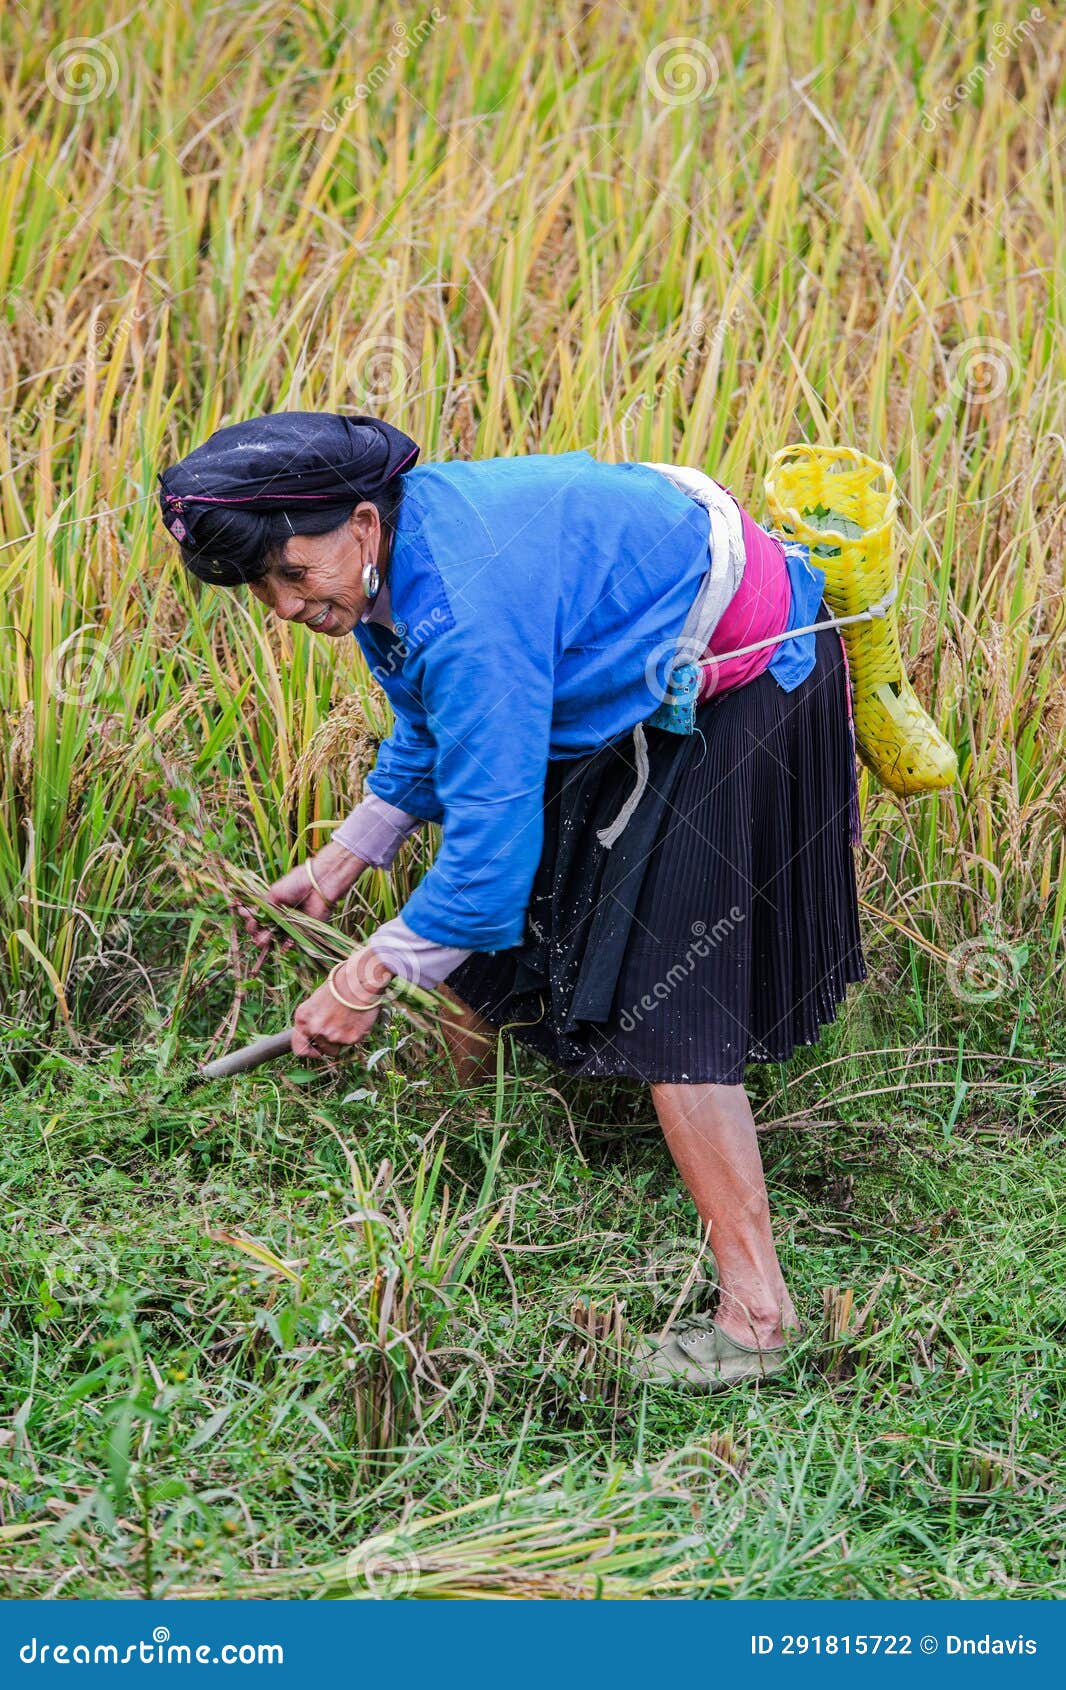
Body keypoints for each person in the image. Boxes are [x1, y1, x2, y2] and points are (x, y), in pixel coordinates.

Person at [157, 411, 867, 1391]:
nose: (283, 607)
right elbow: (429, 718)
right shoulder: (391, 570)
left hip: (738, 675)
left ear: (361, 522)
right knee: (484, 947)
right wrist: (342, 860)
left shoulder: (465, 602)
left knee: (672, 1004)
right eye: (261, 590)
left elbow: (483, 870)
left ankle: (759, 1317)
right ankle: (469, 1148)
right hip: (619, 669)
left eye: (291, 573)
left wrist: (362, 979)